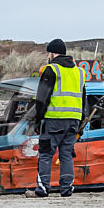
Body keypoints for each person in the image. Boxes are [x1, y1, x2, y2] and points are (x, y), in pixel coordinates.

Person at [26, 39, 86, 198]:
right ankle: (66, 189)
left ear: (52, 53)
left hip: (53, 119)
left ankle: (43, 188)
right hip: (73, 119)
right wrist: (81, 122)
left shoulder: (51, 70)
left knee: (45, 154)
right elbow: (83, 98)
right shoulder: (79, 72)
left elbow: (41, 99)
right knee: (66, 155)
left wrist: (38, 120)